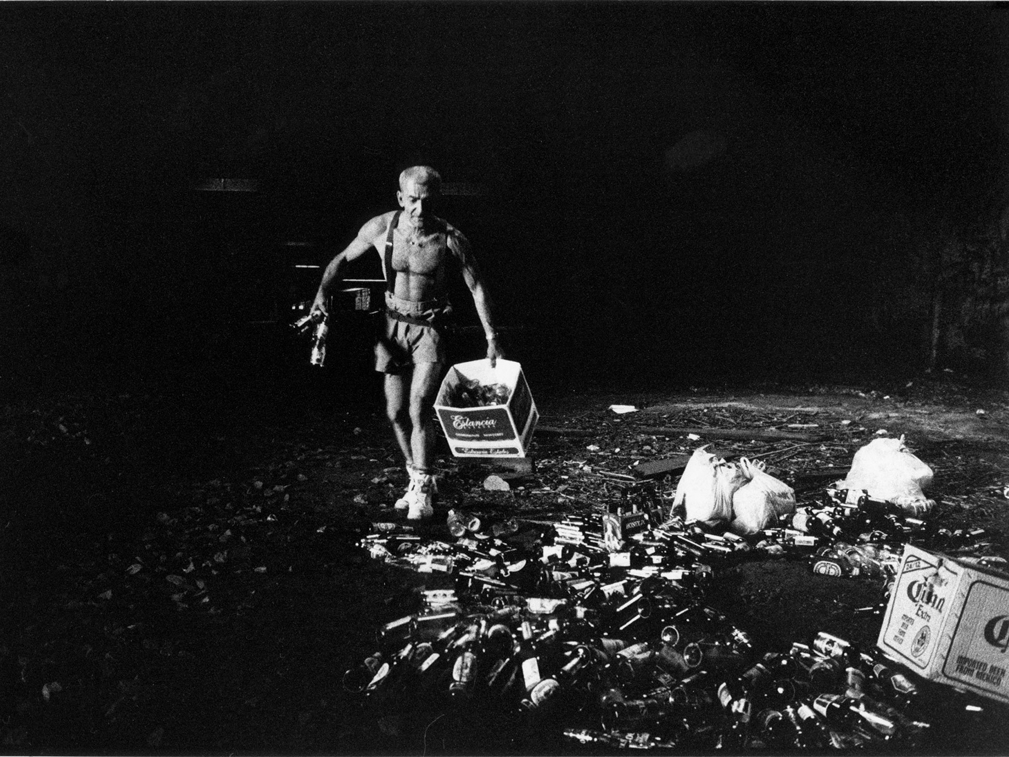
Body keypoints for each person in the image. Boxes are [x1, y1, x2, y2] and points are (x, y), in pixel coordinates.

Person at [310, 166, 504, 520]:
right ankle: (416, 476)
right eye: (413, 200)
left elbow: (477, 287)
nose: (419, 209)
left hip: (430, 328)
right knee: (396, 413)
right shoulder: (381, 228)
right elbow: (340, 260)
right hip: (392, 326)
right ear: (401, 198)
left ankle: (424, 488)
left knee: (419, 407)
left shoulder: (450, 238)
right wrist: (322, 294)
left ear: (437, 200)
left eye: (427, 201)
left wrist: (492, 337)